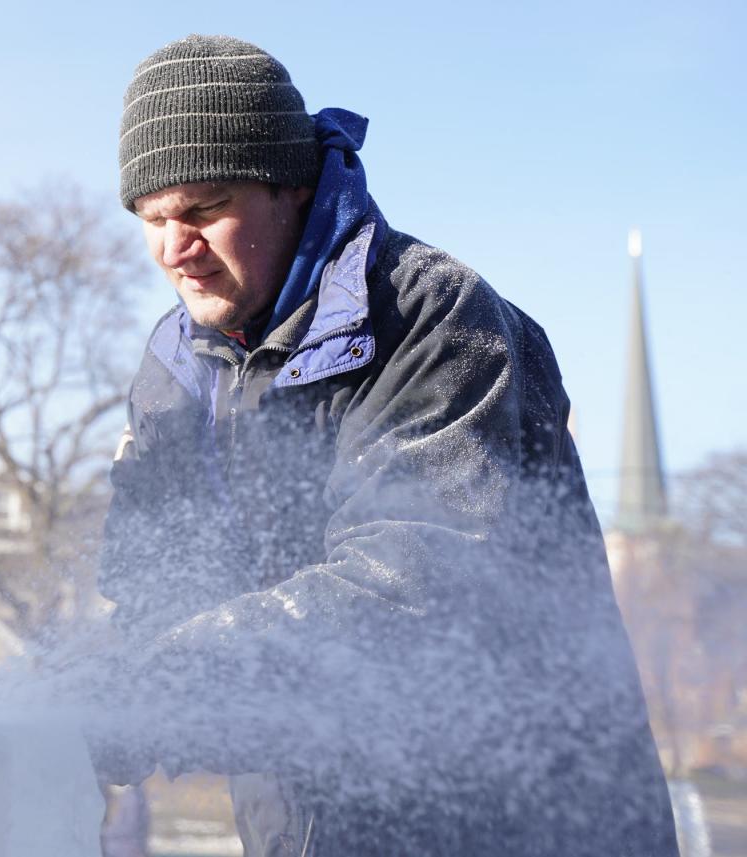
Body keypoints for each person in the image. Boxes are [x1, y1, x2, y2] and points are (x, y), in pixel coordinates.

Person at [93, 34, 680, 856]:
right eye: (152, 219)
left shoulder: (432, 319)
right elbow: (150, 580)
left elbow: (420, 585)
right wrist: (90, 686)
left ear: (290, 185)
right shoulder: (179, 367)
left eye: (203, 208)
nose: (172, 247)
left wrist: (173, 677)